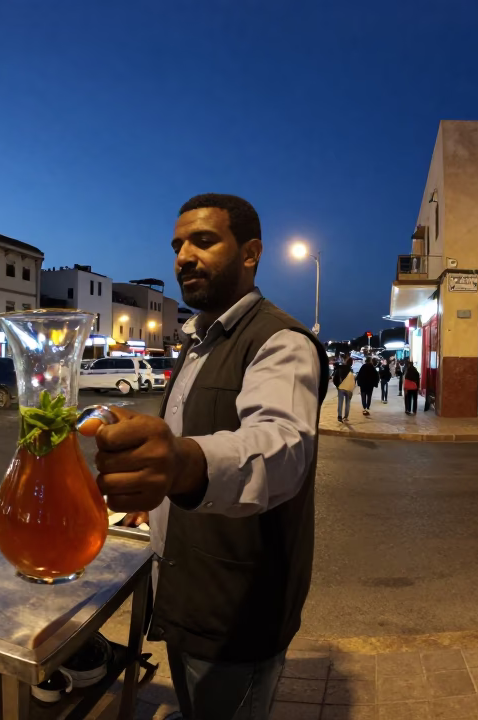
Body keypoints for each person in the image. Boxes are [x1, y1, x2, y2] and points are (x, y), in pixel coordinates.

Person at [91, 193, 327, 720]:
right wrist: (153, 501)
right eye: (177, 245)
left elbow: (280, 447)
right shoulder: (197, 343)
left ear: (250, 253)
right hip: (185, 593)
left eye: (203, 240)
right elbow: (183, 437)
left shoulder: (280, 342)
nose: (182, 257)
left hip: (237, 610)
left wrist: (179, 463)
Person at [332, 353, 354, 422]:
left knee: (340, 402)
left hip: (341, 388)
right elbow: (353, 381)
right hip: (349, 389)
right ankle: (346, 416)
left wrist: (337, 386)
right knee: (347, 403)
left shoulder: (340, 368)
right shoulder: (351, 371)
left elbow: (335, 378)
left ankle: (339, 416)